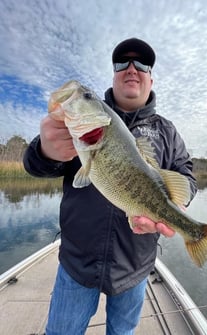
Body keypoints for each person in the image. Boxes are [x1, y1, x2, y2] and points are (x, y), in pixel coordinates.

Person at [23, 37, 197, 335]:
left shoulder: (167, 131)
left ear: (150, 77)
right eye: (122, 63)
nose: (132, 69)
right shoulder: (80, 127)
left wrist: (180, 204)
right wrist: (46, 151)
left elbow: (186, 176)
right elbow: (35, 166)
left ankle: (197, 235)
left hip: (135, 265)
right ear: (114, 74)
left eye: (141, 64)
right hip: (77, 262)